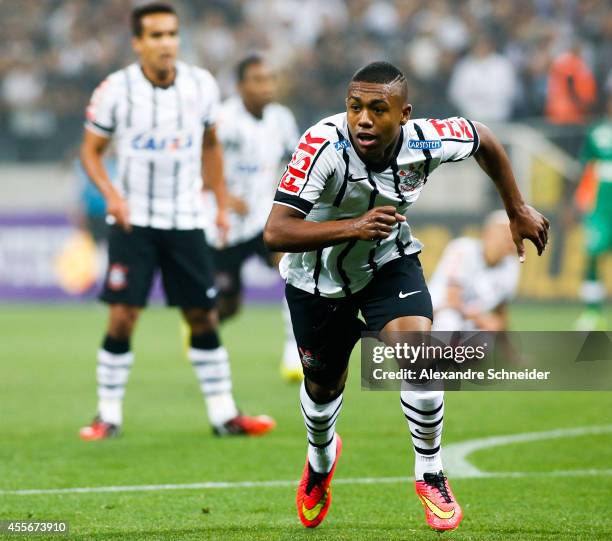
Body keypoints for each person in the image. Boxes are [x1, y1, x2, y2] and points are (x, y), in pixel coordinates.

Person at [264, 61, 549, 531]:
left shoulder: (428, 138)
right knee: (322, 387)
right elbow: (276, 230)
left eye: (378, 109)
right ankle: (320, 459)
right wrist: (353, 226)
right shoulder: (321, 146)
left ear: (404, 113)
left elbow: (484, 139)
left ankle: (430, 472)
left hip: (387, 264)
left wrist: (515, 208)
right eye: (355, 107)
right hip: (316, 281)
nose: (363, 120)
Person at [78, 2, 275, 440]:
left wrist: (220, 202)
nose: (166, 43)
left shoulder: (201, 85)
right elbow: (90, 150)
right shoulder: (115, 89)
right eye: (156, 36)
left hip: (187, 219)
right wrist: (112, 195)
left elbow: (210, 144)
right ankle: (107, 416)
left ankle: (224, 415)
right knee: (123, 317)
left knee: (203, 315)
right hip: (134, 221)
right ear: (138, 42)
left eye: (171, 34)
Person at [207, 54, 303, 381]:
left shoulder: (281, 118)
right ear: (239, 86)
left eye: (270, 79)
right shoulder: (224, 120)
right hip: (223, 225)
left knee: (293, 270)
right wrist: (225, 195)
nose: (267, 87)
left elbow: (297, 158)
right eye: (258, 80)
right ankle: (202, 324)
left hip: (264, 217)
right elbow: (198, 162)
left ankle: (294, 352)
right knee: (229, 306)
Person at [429, 211, 520, 332]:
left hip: (470, 319)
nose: (512, 237)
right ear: (488, 234)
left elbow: (501, 311)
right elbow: (452, 300)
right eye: (506, 232)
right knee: (449, 321)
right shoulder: (463, 249)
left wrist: (510, 350)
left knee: (483, 333)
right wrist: (482, 320)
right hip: (435, 314)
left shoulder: (511, 266)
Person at [573, 91, 612, 331]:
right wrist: (577, 201)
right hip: (600, 208)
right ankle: (591, 313)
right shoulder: (597, 132)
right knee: (593, 255)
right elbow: (586, 168)